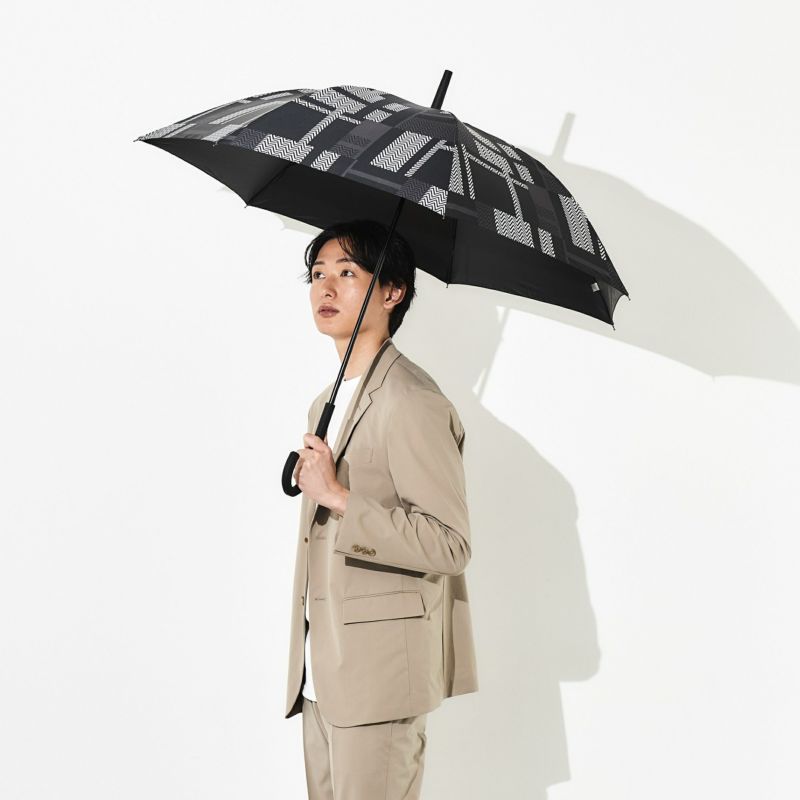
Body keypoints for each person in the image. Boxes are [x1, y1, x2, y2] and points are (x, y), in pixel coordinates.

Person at [286, 219, 478, 800]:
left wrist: (339, 497)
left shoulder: (413, 400)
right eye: (318, 273)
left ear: (392, 291)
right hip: (322, 671)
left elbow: (449, 543)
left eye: (348, 273)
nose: (325, 288)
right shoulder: (326, 402)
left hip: (378, 680)